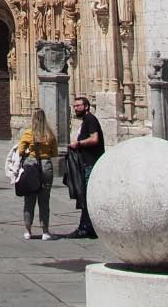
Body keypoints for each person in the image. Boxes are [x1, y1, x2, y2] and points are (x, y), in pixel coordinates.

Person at [15, 108, 58, 240]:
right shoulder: (50, 134)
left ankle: (28, 231)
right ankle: (45, 231)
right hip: (46, 166)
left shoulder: (28, 133)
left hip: (31, 165)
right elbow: (54, 153)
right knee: (44, 200)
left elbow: (20, 151)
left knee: (29, 199)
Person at [66, 95, 106, 238]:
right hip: (86, 163)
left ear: (86, 106)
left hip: (91, 164)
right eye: (75, 106)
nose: (75, 108)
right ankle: (87, 227)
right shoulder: (86, 120)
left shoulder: (90, 119)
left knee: (88, 197)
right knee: (86, 196)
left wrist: (79, 144)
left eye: (78, 106)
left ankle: (86, 228)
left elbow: (95, 139)